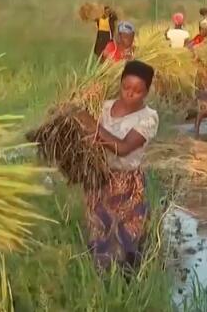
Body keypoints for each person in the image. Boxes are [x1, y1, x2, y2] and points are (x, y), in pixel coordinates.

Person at [78, 61, 159, 270]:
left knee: (127, 239)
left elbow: (123, 148)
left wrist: (92, 126)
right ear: (120, 83)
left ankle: (128, 285)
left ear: (146, 92)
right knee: (98, 234)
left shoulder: (148, 118)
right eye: (126, 87)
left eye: (137, 91)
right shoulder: (103, 106)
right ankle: (100, 285)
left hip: (127, 184)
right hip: (99, 179)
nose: (129, 94)